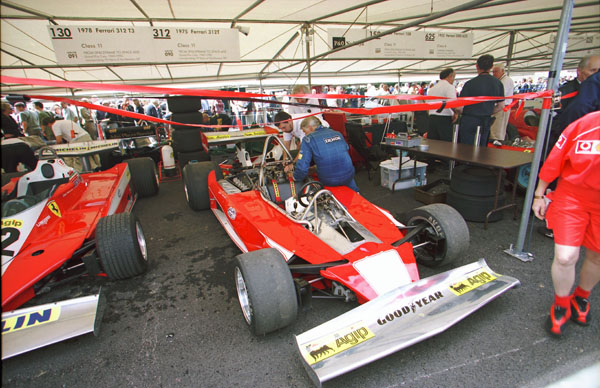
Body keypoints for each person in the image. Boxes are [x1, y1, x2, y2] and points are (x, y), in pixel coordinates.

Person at [531, 110, 600, 337]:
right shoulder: (585, 125)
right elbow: (555, 160)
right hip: (573, 198)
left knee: (597, 255)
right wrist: (539, 194)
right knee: (565, 256)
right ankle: (561, 304)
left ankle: (581, 297)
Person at [288, 116, 358, 192]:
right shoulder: (337, 134)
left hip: (329, 181)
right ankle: (356, 192)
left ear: (310, 128)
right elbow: (341, 152)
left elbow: (302, 168)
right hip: (349, 175)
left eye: (305, 131)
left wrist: (295, 177)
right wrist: (315, 168)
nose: (305, 134)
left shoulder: (308, 139)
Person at [458, 54, 505, 145]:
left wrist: (460, 113)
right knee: (481, 149)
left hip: (469, 119)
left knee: (465, 149)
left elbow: (459, 107)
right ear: (491, 67)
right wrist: (488, 111)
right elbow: (501, 106)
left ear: (477, 66)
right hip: (485, 120)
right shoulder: (498, 84)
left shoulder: (469, 84)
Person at [426, 68, 459, 142]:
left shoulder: (432, 89)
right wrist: (456, 113)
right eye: (454, 77)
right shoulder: (449, 87)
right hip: (444, 118)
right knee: (445, 144)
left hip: (432, 118)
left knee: (432, 143)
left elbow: (428, 105)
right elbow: (452, 103)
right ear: (450, 76)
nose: (453, 80)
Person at [490, 63, 515, 142]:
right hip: (499, 107)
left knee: (497, 131)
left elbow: (500, 94)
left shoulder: (506, 80)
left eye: (496, 71)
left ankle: (496, 147)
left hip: (502, 107)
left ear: (503, 71)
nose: (494, 74)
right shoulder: (500, 80)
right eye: (493, 72)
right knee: (494, 129)